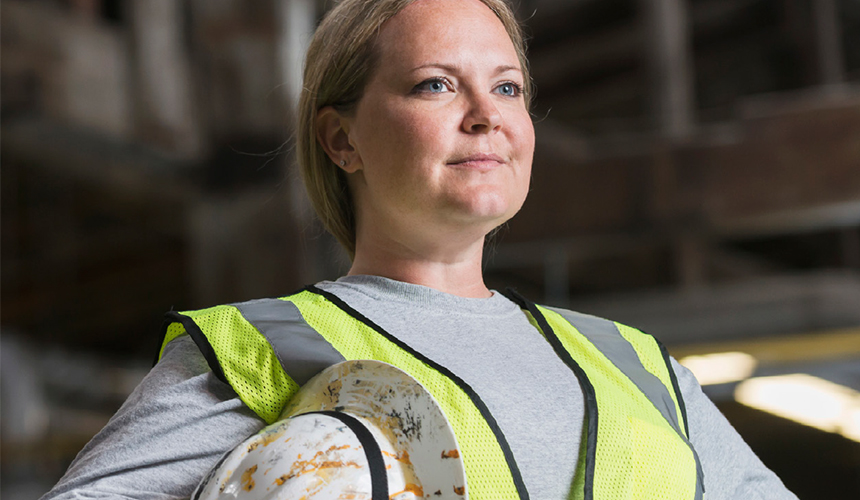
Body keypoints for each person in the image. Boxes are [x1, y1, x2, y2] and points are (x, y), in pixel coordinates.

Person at [43, 0, 799, 499]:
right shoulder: (262, 351)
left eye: (507, 89)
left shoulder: (637, 364)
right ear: (342, 140)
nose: (486, 117)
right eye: (437, 85)